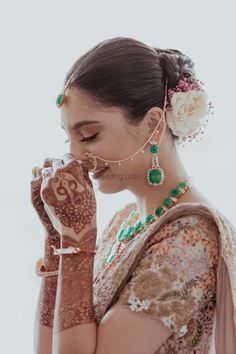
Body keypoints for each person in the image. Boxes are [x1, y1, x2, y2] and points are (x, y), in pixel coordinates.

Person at [31, 37, 236, 354]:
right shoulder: (124, 221)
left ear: (153, 125)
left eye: (89, 135)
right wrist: (57, 238)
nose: (74, 156)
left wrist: (76, 239)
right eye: (68, 138)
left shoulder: (190, 238)